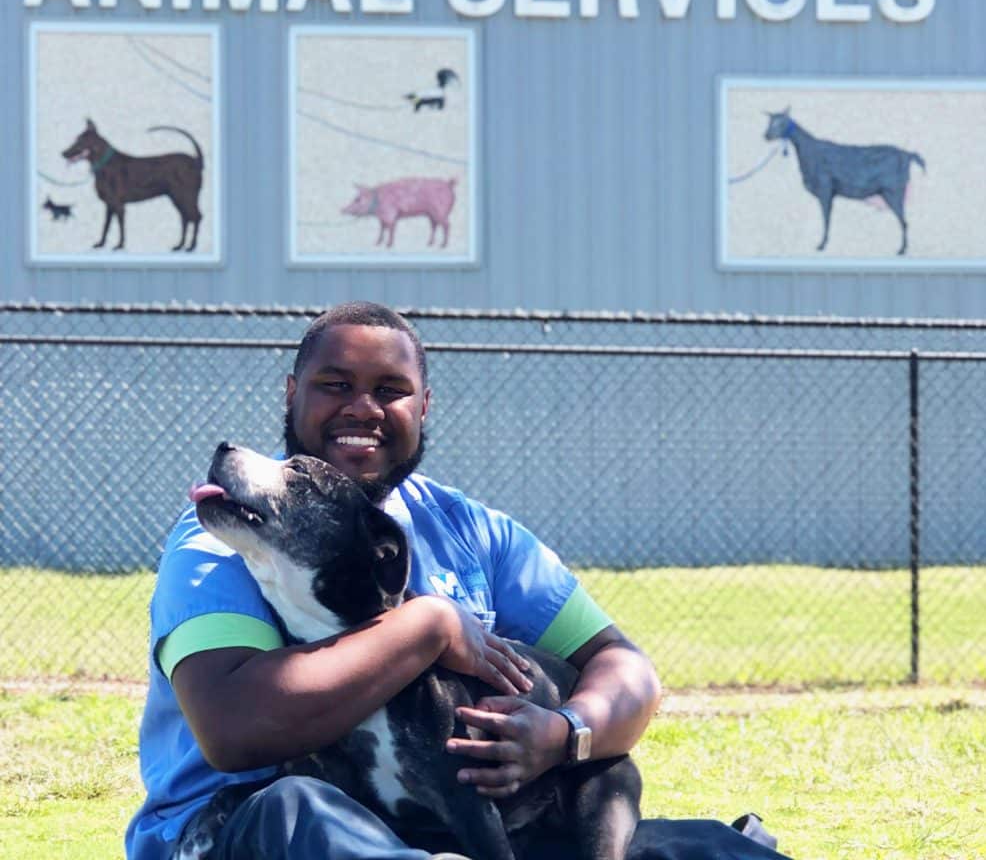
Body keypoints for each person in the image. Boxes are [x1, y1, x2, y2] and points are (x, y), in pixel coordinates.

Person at [126, 301, 792, 860]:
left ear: (424, 405)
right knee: (299, 809)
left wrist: (564, 734)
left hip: (459, 828)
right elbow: (236, 729)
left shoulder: (469, 530)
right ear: (292, 392)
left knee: (708, 849)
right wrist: (428, 625)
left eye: (389, 390)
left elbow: (625, 670)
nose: (363, 408)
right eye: (335, 384)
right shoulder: (234, 532)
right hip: (245, 831)